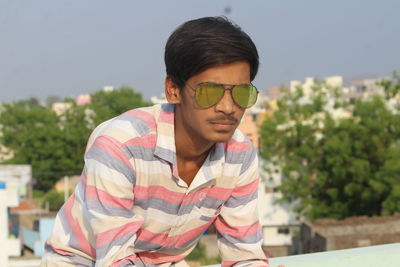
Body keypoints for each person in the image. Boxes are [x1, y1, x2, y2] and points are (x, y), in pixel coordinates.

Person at [42, 16, 269, 267]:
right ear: (173, 90)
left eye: (241, 93)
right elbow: (116, 260)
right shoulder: (120, 146)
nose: (228, 107)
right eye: (209, 92)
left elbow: (244, 255)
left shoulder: (239, 154)